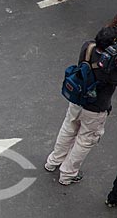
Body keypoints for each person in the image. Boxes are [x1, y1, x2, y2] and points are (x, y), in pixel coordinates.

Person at [45, 26, 117, 185]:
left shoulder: (88, 47)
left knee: (68, 129)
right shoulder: (110, 68)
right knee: (84, 141)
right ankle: (67, 175)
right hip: (95, 110)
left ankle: (53, 162)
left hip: (77, 101)